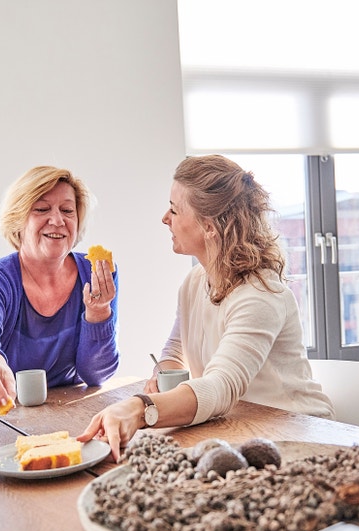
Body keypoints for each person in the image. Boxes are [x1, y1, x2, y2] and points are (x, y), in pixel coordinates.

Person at [80, 155, 332, 460]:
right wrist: (163, 378)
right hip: (236, 433)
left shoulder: (261, 296)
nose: (165, 218)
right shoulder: (194, 282)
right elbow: (174, 353)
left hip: (299, 437)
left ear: (209, 226)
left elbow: (221, 386)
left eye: (174, 210)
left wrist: (140, 406)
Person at [0, 165, 119, 416]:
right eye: (42, 209)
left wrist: (98, 312)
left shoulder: (96, 273)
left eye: (67, 210)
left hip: (65, 412)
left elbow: (96, 375)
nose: (57, 220)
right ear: (18, 221)